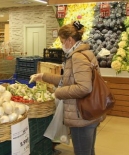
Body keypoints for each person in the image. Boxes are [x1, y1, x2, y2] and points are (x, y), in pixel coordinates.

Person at [30, 21, 103, 155]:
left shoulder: (77, 57)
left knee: (82, 152)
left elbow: (84, 87)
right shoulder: (87, 53)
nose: (61, 44)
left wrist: (58, 92)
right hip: (90, 111)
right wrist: (44, 76)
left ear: (69, 40)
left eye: (62, 41)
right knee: (88, 151)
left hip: (80, 115)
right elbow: (67, 81)